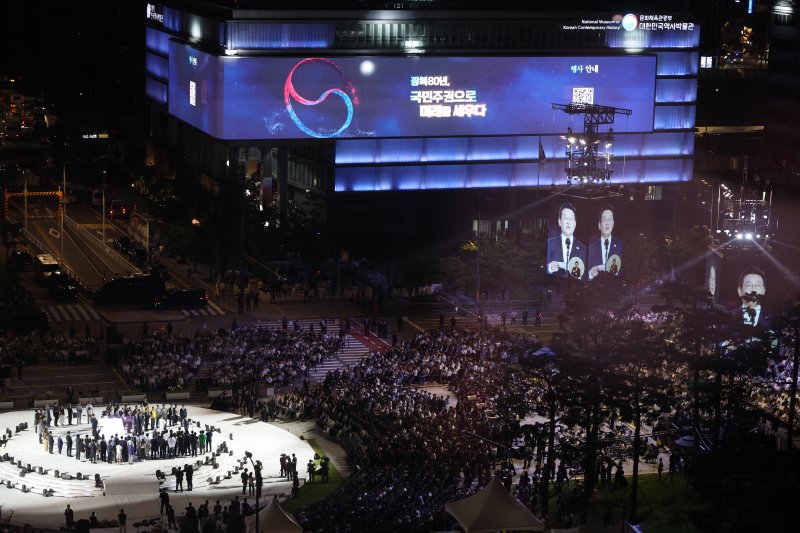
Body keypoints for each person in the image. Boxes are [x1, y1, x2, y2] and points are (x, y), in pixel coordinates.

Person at [547, 202, 585, 279]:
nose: (568, 222)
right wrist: (550, 268)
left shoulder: (583, 248)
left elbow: (585, 273)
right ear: (559, 221)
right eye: (565, 218)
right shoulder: (550, 243)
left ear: (575, 223)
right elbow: (545, 266)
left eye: (571, 218)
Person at [588, 205, 623, 280]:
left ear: (613, 223)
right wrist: (591, 274)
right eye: (604, 219)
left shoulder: (620, 246)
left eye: (609, 219)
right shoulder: (591, 248)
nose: (607, 222)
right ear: (599, 225)